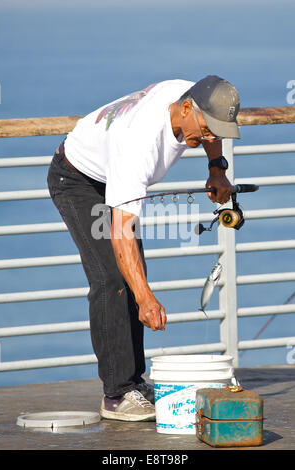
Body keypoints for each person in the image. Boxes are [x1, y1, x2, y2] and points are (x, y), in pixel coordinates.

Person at [47, 75, 240, 422]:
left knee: (134, 277)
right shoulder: (140, 145)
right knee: (113, 279)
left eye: (217, 131)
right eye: (207, 129)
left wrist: (216, 169)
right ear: (185, 109)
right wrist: (145, 298)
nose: (211, 137)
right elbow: (121, 231)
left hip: (111, 174)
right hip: (77, 179)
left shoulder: (191, 97)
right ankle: (117, 395)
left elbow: (213, 131)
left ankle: (133, 383)